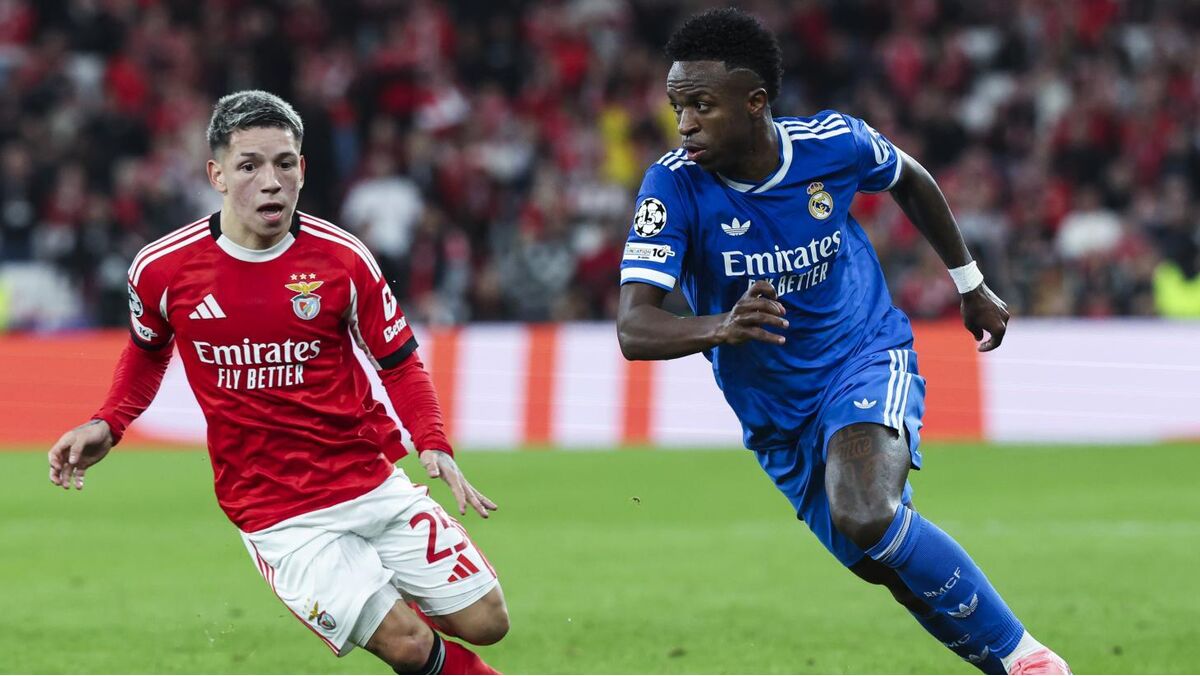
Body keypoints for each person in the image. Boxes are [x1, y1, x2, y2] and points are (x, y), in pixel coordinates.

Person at [616, 9, 1070, 675]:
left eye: (701, 106)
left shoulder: (834, 145)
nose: (684, 124)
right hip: (776, 416)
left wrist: (969, 282)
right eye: (677, 107)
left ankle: (1033, 661)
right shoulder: (673, 185)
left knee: (866, 512)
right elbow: (634, 328)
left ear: (755, 101)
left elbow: (910, 178)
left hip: (862, 356)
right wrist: (720, 326)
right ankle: (1010, 666)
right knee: (887, 565)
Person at [47, 90, 508, 675]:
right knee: (410, 645)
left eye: (284, 164)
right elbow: (147, 351)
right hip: (277, 511)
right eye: (250, 166)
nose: (271, 182)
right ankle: (382, 609)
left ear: (303, 169)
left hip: (368, 479)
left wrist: (433, 442)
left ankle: (382, 591)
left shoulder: (343, 259)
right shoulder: (162, 269)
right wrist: (108, 423)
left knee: (488, 621)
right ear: (216, 175)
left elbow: (398, 362)